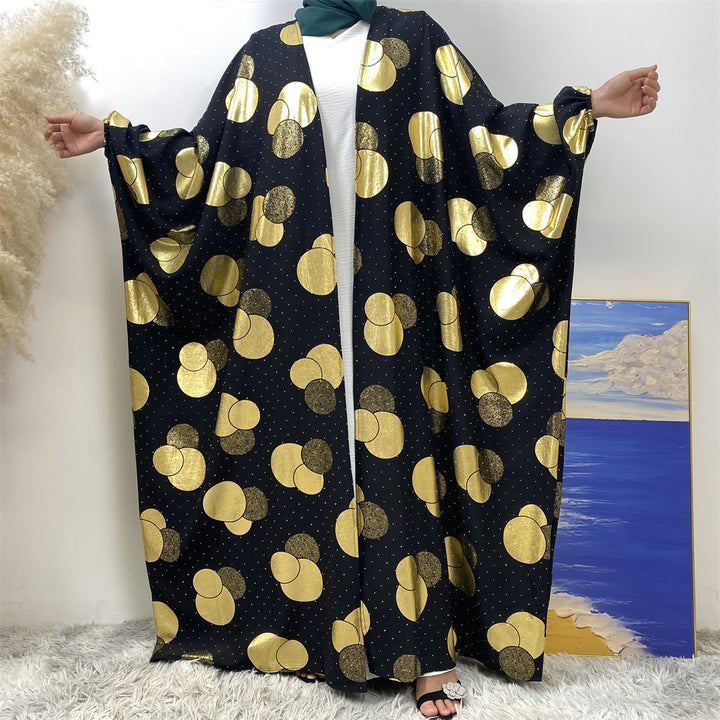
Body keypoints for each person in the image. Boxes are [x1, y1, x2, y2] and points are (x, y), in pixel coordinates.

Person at [45, 3, 658, 718]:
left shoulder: (416, 39)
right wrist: (115, 139)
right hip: (290, 300)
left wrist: (586, 107)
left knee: (400, 459)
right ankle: (317, 636)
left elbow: (488, 140)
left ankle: (425, 653)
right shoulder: (263, 55)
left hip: (395, 294)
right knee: (304, 459)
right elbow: (207, 165)